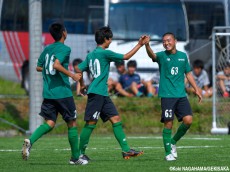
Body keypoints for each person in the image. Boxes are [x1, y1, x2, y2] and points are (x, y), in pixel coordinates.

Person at [75, 26, 147, 162]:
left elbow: (78, 68)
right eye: (110, 39)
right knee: (90, 124)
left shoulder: (90, 55)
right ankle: (79, 154)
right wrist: (139, 44)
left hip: (102, 94)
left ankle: (126, 150)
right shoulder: (105, 53)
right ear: (105, 39)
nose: (111, 41)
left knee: (116, 119)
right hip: (97, 94)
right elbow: (126, 57)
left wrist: (82, 83)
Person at [21, 22, 87, 165]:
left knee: (50, 123)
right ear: (64, 33)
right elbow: (56, 65)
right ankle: (75, 158)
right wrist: (72, 75)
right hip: (63, 93)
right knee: (72, 123)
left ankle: (30, 141)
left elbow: (39, 67)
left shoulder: (47, 49)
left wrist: (49, 70)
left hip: (49, 93)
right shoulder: (65, 49)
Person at [144, 32, 202, 161]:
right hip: (167, 95)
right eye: (164, 41)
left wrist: (196, 89)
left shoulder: (183, 56)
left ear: (175, 41)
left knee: (188, 120)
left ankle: (173, 141)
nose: (166, 43)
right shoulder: (161, 56)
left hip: (181, 95)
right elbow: (152, 55)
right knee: (168, 124)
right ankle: (168, 153)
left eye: (168, 40)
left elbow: (188, 74)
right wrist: (147, 45)